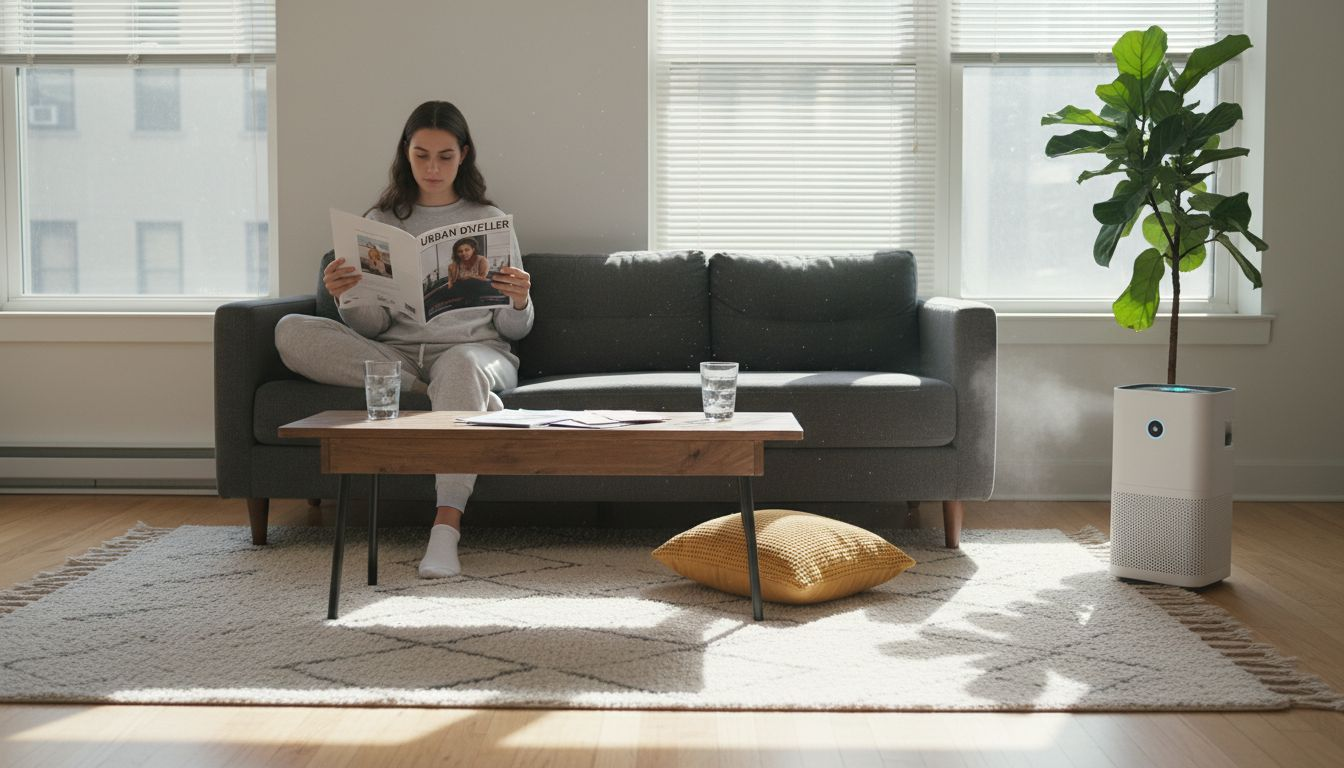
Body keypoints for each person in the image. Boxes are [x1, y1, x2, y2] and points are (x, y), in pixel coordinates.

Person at [274, 100, 533, 579]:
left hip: (477, 354)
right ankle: (442, 398)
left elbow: (515, 332)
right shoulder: (381, 221)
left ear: (464, 156)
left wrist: (520, 301)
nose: (432, 168)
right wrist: (348, 297)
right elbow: (370, 329)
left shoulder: (490, 220)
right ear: (405, 154)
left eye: (444, 156)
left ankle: (445, 526)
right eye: (421, 155)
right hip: (399, 360)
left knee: (459, 367)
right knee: (290, 331)